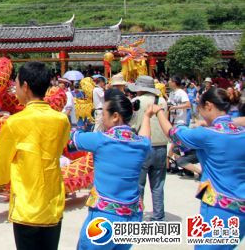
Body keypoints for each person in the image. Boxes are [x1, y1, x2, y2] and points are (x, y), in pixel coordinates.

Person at [152, 88, 245, 247]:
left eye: (200, 109)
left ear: (208, 106)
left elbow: (173, 133)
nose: (200, 114)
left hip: (218, 207)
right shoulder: (240, 132)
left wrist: (159, 111)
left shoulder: (208, 134)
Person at [0, 62, 70, 250]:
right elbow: (59, 149)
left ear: (25, 87)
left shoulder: (13, 123)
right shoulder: (61, 120)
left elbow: (2, 161)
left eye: (16, 84)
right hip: (52, 202)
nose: (15, 90)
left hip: (26, 205)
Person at [72, 90, 152, 249]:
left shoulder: (101, 140)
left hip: (105, 217)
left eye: (103, 112)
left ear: (115, 116)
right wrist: (147, 116)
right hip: (132, 216)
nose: (101, 116)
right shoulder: (141, 145)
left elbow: (71, 138)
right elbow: (146, 138)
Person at [128, 75, 168, 221]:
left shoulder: (136, 101)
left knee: (139, 183)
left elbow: (131, 122)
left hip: (142, 145)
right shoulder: (162, 101)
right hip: (161, 146)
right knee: (158, 184)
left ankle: (138, 213)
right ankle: (158, 215)